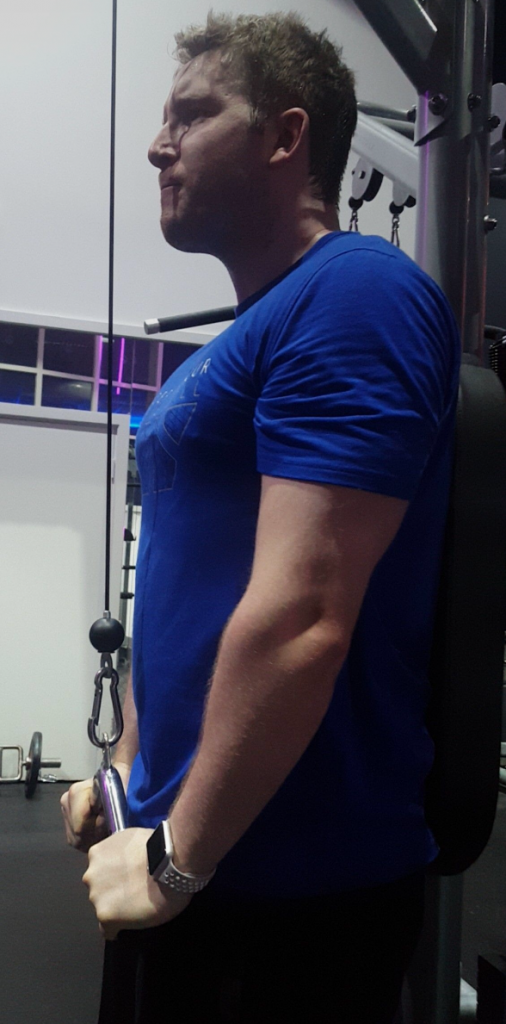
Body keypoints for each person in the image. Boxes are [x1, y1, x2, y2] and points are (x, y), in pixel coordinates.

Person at [61, 11, 461, 1023]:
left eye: (192, 115)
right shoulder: (239, 345)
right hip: (184, 856)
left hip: (285, 892)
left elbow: (301, 616)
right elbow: (183, 587)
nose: (158, 146)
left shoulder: (357, 293)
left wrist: (181, 858)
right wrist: (128, 774)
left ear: (286, 137)